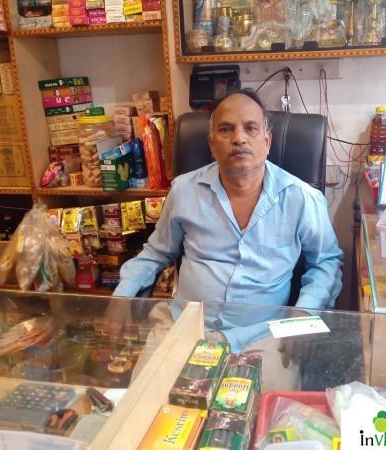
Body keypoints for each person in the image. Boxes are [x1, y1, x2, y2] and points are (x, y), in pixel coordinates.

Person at [108, 89, 343, 388]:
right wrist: (122, 295)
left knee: (266, 425)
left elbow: (327, 262)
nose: (239, 138)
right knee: (145, 408)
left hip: (265, 335)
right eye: (226, 129)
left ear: (267, 141)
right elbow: (156, 252)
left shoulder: (301, 198)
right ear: (212, 144)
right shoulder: (184, 191)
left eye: (250, 128)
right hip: (184, 325)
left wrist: (305, 310)